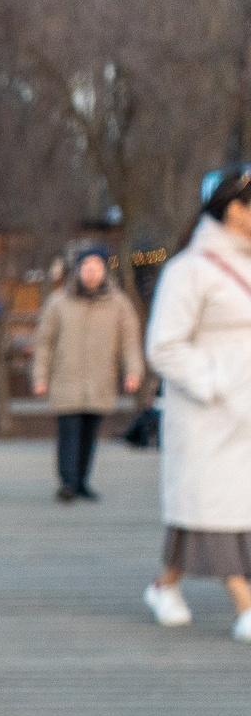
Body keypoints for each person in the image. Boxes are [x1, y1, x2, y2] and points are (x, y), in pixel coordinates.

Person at [143, 167, 251, 640]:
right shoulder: (188, 270)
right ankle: (244, 604)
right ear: (235, 210)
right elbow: (164, 345)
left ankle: (164, 586)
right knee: (215, 508)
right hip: (210, 414)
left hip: (245, 413)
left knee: (217, 511)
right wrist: (214, 382)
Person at [33, 245, 143, 504]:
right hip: (66, 378)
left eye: (97, 267)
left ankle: (81, 482)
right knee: (69, 432)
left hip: (100, 379)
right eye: (86, 267)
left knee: (89, 434)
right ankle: (67, 483)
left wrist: (133, 371)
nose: (91, 272)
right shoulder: (59, 302)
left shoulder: (119, 304)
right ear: (78, 270)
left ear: (105, 271)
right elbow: (44, 342)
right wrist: (40, 376)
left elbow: (129, 340)